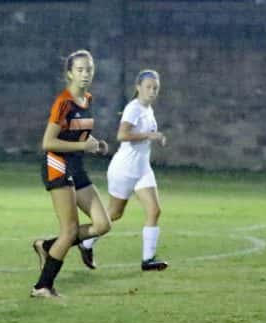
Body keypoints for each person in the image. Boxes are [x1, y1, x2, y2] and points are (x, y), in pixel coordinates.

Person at [31, 50, 112, 298]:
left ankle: (47, 246)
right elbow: (48, 142)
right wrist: (82, 146)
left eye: (89, 69)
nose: (85, 74)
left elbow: (79, 134)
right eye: (80, 70)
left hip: (76, 167)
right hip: (58, 166)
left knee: (103, 224)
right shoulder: (63, 102)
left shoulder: (88, 99)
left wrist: (96, 144)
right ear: (69, 73)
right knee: (70, 229)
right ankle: (42, 286)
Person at [80, 69, 168, 271]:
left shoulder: (148, 109)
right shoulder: (134, 108)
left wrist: (155, 137)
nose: (152, 91)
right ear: (138, 88)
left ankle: (148, 261)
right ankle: (86, 243)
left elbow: (145, 135)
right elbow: (122, 135)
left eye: (155, 88)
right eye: (148, 87)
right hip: (125, 169)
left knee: (154, 211)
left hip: (142, 169)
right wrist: (149, 136)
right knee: (114, 213)